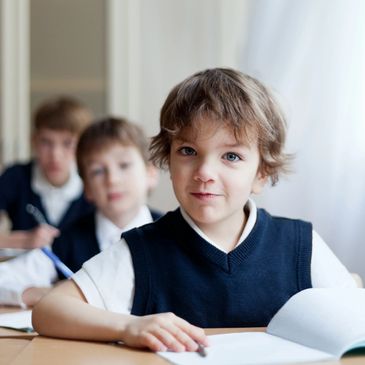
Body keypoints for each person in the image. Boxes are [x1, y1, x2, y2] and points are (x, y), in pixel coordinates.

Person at [33, 68, 356, 353]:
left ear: (261, 173)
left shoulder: (300, 244)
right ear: (168, 162)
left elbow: (351, 314)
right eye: (188, 151)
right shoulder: (141, 250)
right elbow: (49, 310)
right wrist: (128, 326)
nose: (205, 172)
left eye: (230, 156)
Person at [0, 117, 161, 307]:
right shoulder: (67, 240)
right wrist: (51, 293)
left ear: (150, 174)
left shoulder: (175, 235)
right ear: (87, 189)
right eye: (98, 171)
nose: (112, 180)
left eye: (124, 165)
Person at [0, 96, 93, 249]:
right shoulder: (15, 177)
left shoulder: (93, 182)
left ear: (83, 146)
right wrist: (23, 241)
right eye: (46, 142)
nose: (55, 155)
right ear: (33, 141)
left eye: (67, 143)